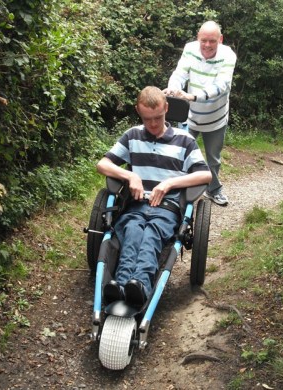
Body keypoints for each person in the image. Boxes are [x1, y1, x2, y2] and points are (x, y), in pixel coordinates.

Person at [96, 86, 212, 307]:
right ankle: (121, 286)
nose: (153, 124)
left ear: (166, 108)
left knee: (151, 236)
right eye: (147, 119)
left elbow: (205, 174)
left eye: (158, 117)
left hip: (166, 209)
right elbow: (102, 164)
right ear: (138, 112)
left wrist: (169, 183)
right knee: (131, 233)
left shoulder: (184, 140)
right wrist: (130, 175)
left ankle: (140, 285)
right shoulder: (132, 136)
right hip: (136, 205)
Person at [163, 20, 237, 207]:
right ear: (198, 38)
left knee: (213, 159)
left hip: (216, 117)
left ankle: (214, 190)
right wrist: (173, 89)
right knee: (181, 154)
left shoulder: (228, 55)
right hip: (190, 116)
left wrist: (192, 96)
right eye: (204, 40)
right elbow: (180, 73)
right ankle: (178, 191)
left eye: (212, 41)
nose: (207, 45)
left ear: (220, 39)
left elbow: (222, 85)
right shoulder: (190, 49)